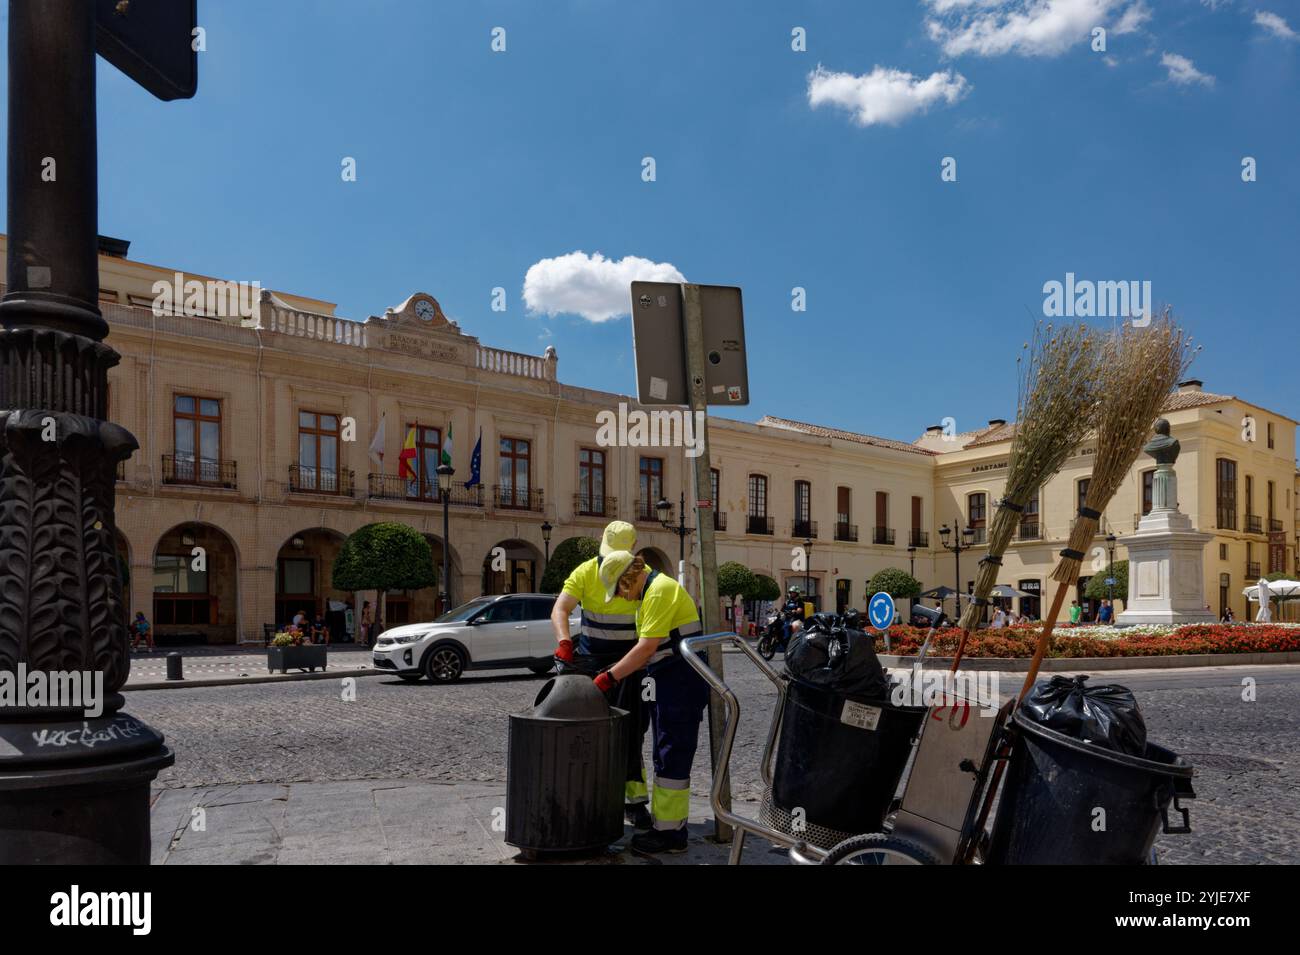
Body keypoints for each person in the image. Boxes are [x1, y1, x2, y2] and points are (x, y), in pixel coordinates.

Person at [595, 551, 706, 855]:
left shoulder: (658, 592)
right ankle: (665, 827)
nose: (622, 596)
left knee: (672, 755)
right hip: (670, 680)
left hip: (680, 683)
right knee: (664, 753)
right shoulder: (651, 593)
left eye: (619, 589)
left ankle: (671, 835)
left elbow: (646, 648)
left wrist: (608, 678)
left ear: (628, 578)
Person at [550, 521, 652, 830]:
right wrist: (565, 642)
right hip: (593, 660)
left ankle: (634, 803)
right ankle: (590, 793)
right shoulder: (585, 571)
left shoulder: (641, 575)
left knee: (632, 731)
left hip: (631, 663)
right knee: (590, 729)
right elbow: (560, 610)